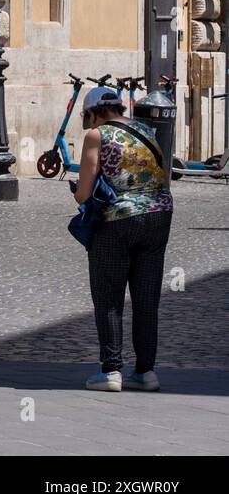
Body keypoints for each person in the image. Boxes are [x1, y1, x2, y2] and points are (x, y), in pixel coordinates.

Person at [72, 86, 173, 393]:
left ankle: (111, 370)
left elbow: (84, 192)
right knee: (146, 298)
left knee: (109, 296)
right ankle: (146, 372)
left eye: (86, 116)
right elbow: (164, 177)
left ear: (94, 113)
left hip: (118, 219)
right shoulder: (146, 130)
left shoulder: (97, 136)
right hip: (159, 214)